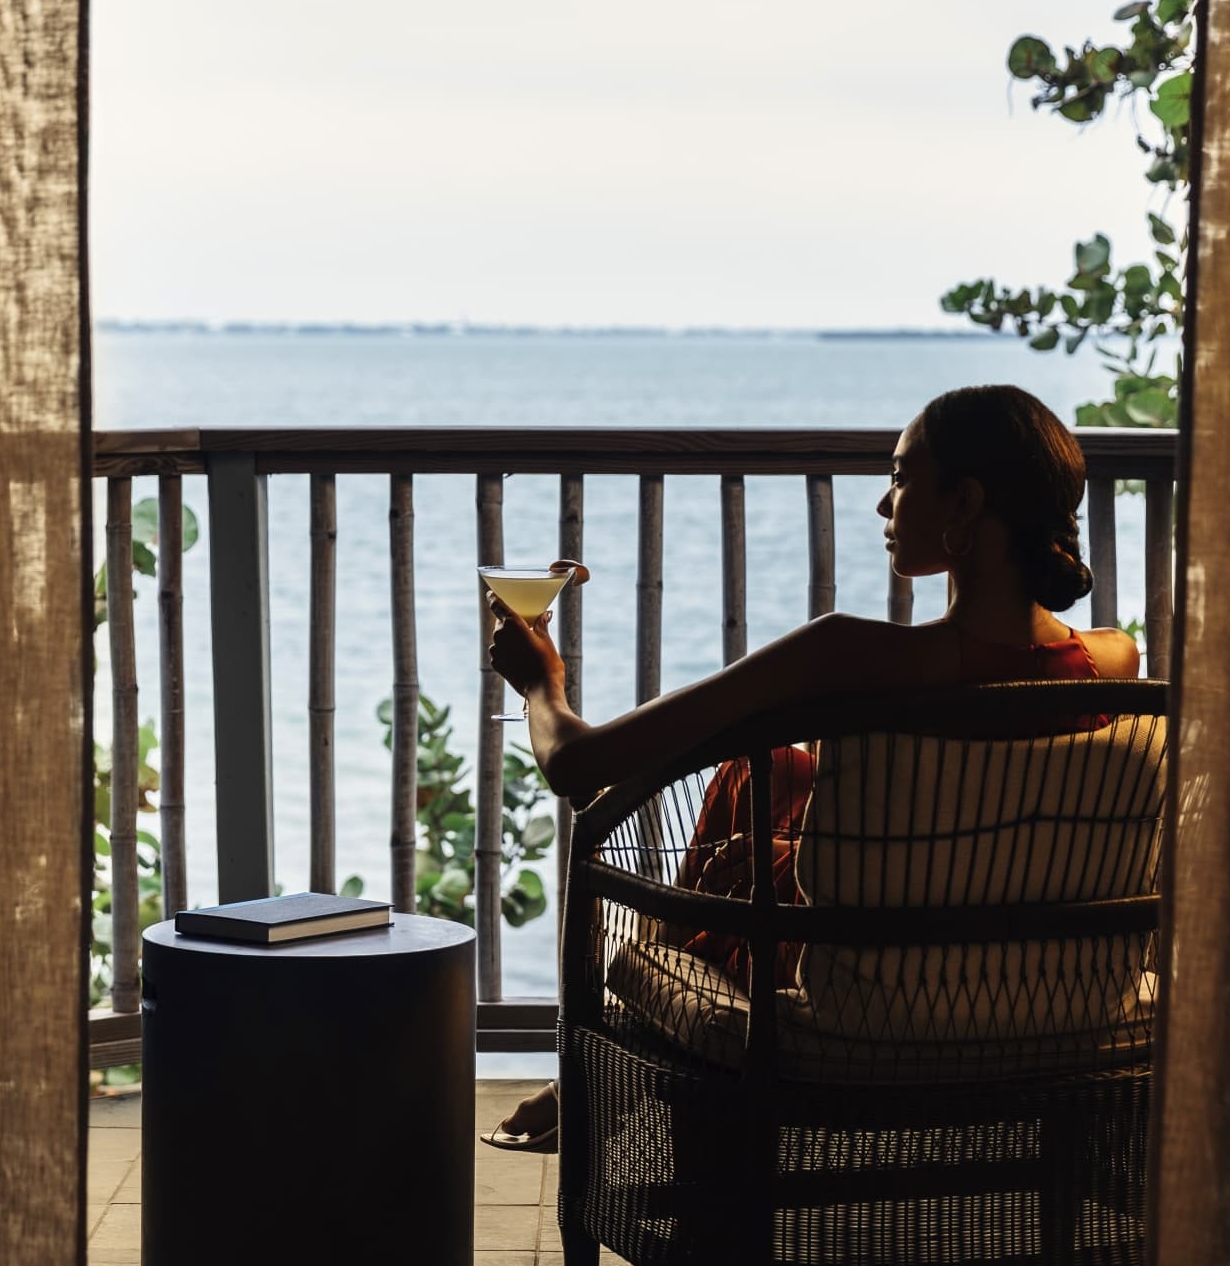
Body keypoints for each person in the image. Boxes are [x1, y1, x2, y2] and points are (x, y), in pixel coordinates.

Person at [479, 384, 1137, 1151]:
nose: (884, 506)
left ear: (964, 504)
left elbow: (578, 764)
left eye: (901, 478)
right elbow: (981, 814)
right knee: (773, 777)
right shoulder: (1112, 660)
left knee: (748, 796)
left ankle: (614, 1071)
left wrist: (539, 682)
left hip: (872, 989)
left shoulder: (848, 653)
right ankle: (610, 1075)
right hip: (1030, 979)